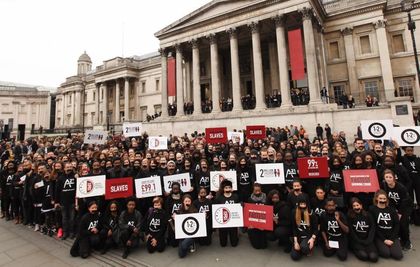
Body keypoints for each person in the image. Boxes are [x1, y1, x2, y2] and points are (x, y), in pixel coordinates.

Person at [381, 169, 413, 250]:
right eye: (386, 177)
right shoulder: (384, 185)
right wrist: (393, 210)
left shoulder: (401, 187)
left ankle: (407, 242)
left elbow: (405, 201)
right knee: (395, 222)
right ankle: (398, 237)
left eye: (390, 177)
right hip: (395, 206)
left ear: (394, 178)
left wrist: (400, 213)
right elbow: (387, 199)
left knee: (403, 223)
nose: (388, 179)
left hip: (406, 207)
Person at [369, 190, 403, 260]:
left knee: (398, 256)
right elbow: (374, 226)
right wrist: (384, 240)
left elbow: (396, 225)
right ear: (376, 198)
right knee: (386, 254)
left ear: (386, 199)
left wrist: (391, 239)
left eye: (384, 199)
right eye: (380, 198)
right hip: (380, 236)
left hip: (392, 236)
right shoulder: (372, 209)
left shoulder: (392, 210)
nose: (382, 200)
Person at [347, 198, 378, 262]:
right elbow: (351, 231)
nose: (356, 207)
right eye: (354, 206)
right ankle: (354, 249)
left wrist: (369, 240)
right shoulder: (350, 216)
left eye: (357, 205)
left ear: (361, 206)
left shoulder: (368, 215)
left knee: (373, 258)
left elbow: (372, 228)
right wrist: (359, 240)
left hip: (368, 240)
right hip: (357, 241)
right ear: (352, 207)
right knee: (364, 256)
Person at [290, 195, 318, 261]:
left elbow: (316, 229)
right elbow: (294, 228)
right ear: (298, 204)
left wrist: (312, 239)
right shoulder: (294, 212)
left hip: (308, 236)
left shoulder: (311, 215)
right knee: (295, 257)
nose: (302, 206)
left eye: (304, 204)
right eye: (301, 204)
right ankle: (300, 248)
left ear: (307, 204)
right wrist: (296, 242)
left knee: (304, 247)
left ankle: (306, 248)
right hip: (299, 236)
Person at [215, 179, 239, 247]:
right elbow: (216, 209)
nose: (228, 189)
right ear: (223, 189)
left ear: (231, 188)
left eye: (229, 187)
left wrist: (241, 204)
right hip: (223, 221)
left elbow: (238, 208)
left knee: (234, 244)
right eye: (226, 188)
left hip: (233, 220)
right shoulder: (219, 198)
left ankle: (235, 237)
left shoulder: (235, 196)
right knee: (223, 244)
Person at [246, 183, 267, 249]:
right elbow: (248, 212)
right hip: (253, 224)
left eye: (259, 190)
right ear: (253, 191)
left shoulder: (266, 198)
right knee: (257, 246)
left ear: (261, 190)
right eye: (256, 191)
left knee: (264, 246)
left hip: (263, 222)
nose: (257, 192)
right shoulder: (250, 199)